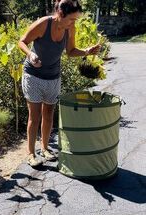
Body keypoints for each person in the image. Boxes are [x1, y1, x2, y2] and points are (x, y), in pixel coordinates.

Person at [18, 0, 101, 167]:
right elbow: (22, 41)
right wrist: (30, 55)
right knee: (34, 117)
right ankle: (30, 154)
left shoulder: (70, 28)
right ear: (60, 14)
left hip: (53, 77)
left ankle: (45, 148)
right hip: (33, 75)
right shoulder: (44, 24)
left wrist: (86, 51)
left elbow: (70, 51)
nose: (73, 23)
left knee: (48, 114)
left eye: (75, 20)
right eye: (72, 19)